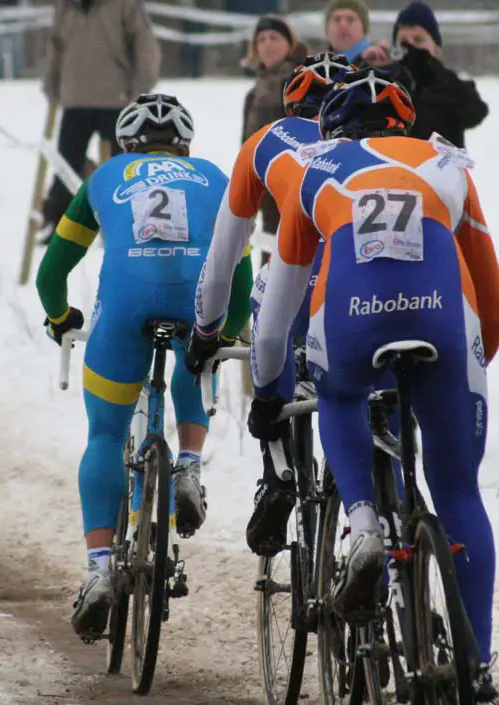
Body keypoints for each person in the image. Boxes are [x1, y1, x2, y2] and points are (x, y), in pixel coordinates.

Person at [246, 66, 499, 701]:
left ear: (332, 128)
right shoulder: (448, 164)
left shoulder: (315, 167)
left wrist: (265, 393)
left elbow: (277, 314)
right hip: (444, 332)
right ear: (405, 125)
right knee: (457, 492)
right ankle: (476, 663)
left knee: (338, 393)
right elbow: (495, 305)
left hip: (353, 322)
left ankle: (362, 522)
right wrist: (466, 376)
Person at [35, 94, 253, 638]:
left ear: (125, 144)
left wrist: (61, 316)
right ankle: (187, 466)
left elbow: (51, 272)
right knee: (195, 349)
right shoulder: (211, 176)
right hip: (195, 297)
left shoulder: (106, 175)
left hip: (126, 301)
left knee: (106, 434)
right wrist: (222, 337)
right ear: (186, 145)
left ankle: (100, 569)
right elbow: (242, 276)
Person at [187, 51, 355, 558]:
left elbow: (223, 257)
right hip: (369, 285)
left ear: (291, 104)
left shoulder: (267, 140)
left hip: (297, 276)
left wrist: (206, 333)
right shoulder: (377, 147)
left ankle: (277, 463)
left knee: (271, 305)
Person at [39, 0, 161, 244]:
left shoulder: (125, 4)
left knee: (122, 168)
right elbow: (56, 45)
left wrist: (140, 87)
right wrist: (51, 83)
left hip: (116, 100)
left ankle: (125, 226)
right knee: (67, 166)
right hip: (75, 98)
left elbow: (144, 43)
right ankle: (62, 225)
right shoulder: (66, 5)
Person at [360, 1, 487, 149]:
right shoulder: (387, 84)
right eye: (403, 42)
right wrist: (366, 69)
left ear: (436, 47)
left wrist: (431, 67)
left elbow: (476, 112)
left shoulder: (449, 84)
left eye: (418, 40)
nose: (411, 46)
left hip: (440, 168)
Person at [240, 14, 309, 265]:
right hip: (265, 188)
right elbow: (246, 145)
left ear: (290, 44)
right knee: (269, 260)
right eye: (262, 39)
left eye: (275, 38)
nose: (267, 44)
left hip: (296, 186)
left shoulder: (303, 84)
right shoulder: (254, 93)